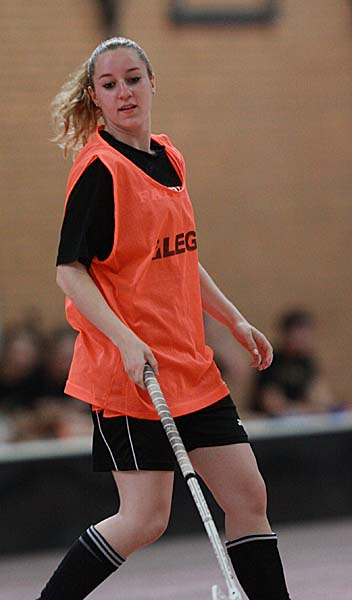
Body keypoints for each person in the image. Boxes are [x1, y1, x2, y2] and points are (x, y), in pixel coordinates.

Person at [37, 37, 291, 600]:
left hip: (191, 368)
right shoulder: (99, 171)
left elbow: (178, 257)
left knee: (248, 497)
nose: (124, 92)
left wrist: (233, 320)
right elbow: (70, 272)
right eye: (109, 85)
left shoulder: (169, 158)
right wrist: (127, 342)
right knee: (144, 519)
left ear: (152, 83)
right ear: (96, 97)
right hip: (132, 375)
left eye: (133, 79)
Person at [253, 308, 336, 417]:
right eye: (300, 333)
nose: (305, 338)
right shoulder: (270, 361)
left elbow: (322, 397)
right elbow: (272, 404)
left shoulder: (306, 362)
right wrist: (307, 409)